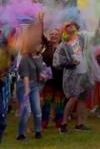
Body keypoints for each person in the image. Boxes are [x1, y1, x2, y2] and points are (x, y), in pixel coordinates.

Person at [54, 22, 92, 133]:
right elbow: (57, 62)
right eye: (67, 25)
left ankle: (79, 124)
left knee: (82, 98)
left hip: (83, 73)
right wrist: (70, 63)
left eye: (72, 25)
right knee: (73, 98)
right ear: (64, 29)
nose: (70, 26)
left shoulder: (81, 39)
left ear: (76, 27)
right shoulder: (63, 44)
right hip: (72, 75)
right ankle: (63, 124)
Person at [17, 13, 46, 141]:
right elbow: (25, 75)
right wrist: (27, 89)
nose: (41, 45)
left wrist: (42, 75)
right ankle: (21, 134)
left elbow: (39, 71)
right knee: (26, 111)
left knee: (37, 110)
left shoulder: (39, 57)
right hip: (24, 85)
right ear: (32, 44)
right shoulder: (25, 58)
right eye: (39, 43)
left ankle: (38, 131)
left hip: (34, 85)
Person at [40, 28, 65, 129]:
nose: (54, 36)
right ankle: (44, 121)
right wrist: (40, 22)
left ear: (60, 36)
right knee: (47, 101)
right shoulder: (46, 45)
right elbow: (40, 35)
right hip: (48, 79)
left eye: (56, 34)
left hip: (60, 78)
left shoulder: (64, 46)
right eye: (52, 34)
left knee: (59, 101)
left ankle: (59, 121)